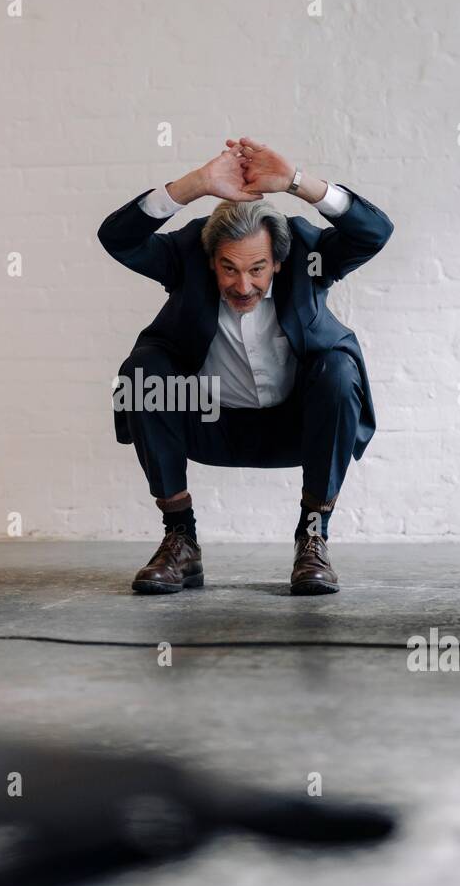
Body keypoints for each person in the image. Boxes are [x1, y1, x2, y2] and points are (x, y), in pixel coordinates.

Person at [98, 137, 393, 595]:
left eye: (257, 269)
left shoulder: (307, 257)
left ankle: (313, 538)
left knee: (338, 370)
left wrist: (298, 183)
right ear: (210, 260)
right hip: (206, 421)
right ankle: (181, 540)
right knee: (143, 371)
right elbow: (116, 237)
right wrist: (193, 185)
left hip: (297, 426)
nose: (242, 285)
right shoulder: (186, 258)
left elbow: (374, 232)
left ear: (278, 260)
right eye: (228, 269)